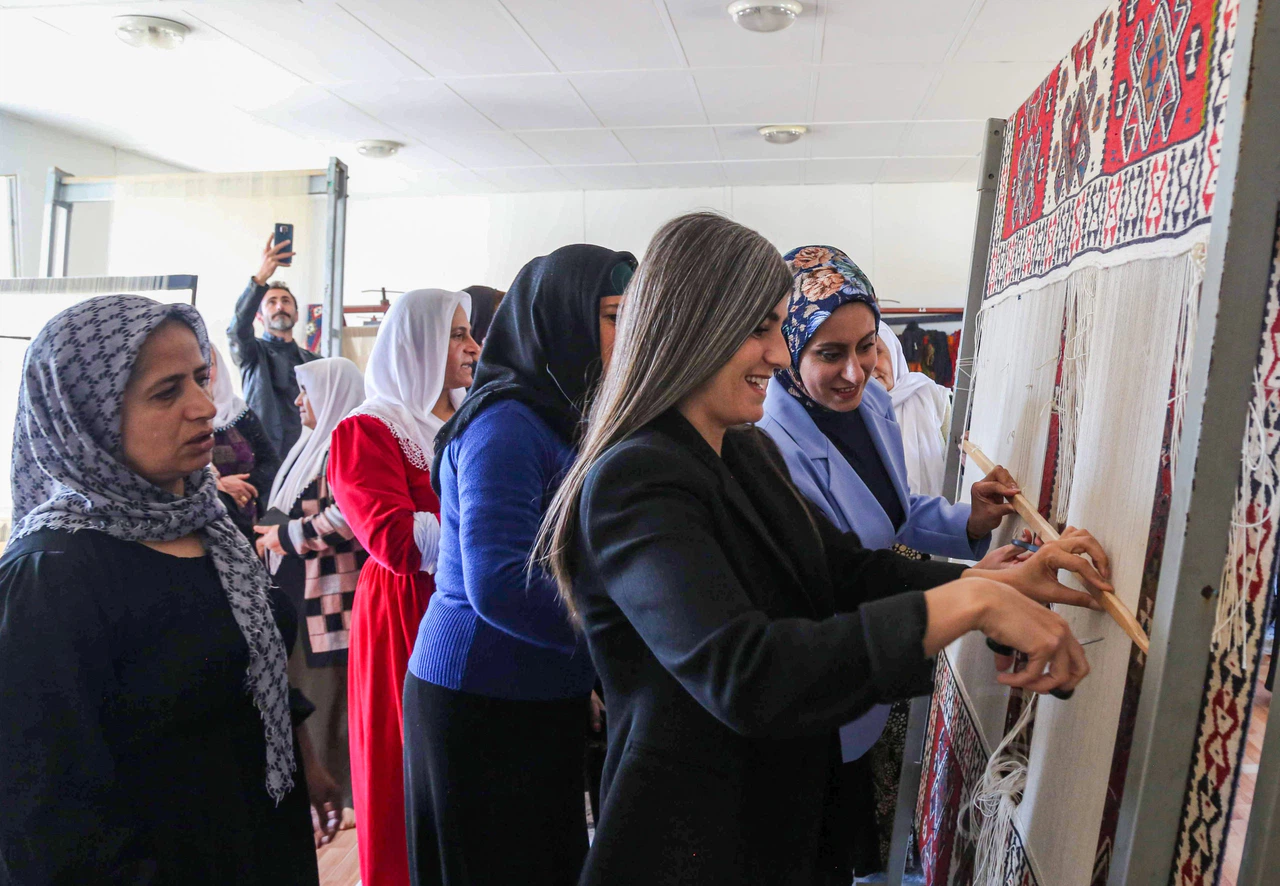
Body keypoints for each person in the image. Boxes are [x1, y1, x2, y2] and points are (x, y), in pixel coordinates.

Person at [534, 212, 1112, 885]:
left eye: (779, 329)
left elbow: (840, 570)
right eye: (759, 330)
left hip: (778, 816)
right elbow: (746, 674)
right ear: (694, 327)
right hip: (696, 842)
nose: (779, 355)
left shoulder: (743, 449)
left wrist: (997, 584)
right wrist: (971, 604)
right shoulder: (636, 479)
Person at [0, 295, 320, 883]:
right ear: (88, 416)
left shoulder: (209, 521)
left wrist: (305, 762)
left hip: (259, 834)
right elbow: (46, 816)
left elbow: (253, 662)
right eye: (167, 392)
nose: (205, 408)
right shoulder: (52, 576)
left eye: (200, 378)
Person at [757, 245, 1022, 876]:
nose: (855, 372)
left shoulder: (872, 406)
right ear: (788, 349)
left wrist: (968, 521)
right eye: (830, 354)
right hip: (830, 659)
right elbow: (844, 567)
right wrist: (974, 587)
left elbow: (893, 510)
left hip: (875, 645)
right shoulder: (768, 447)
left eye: (867, 346)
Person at [403, 245, 636, 886]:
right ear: (559, 320)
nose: (629, 334)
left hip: (534, 687)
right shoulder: (507, 424)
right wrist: (620, 633)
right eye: (613, 317)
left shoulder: (563, 413)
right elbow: (500, 583)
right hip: (480, 694)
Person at [328, 289, 480, 886]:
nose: (473, 347)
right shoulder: (367, 429)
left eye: (469, 333)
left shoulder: (471, 415)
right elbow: (393, 540)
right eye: (457, 334)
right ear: (419, 343)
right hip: (406, 609)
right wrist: (490, 521)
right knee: (408, 756)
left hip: (473, 599)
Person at [255, 356, 369, 816]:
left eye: (308, 392)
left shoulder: (345, 445)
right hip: (296, 595)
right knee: (308, 692)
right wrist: (270, 534)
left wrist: (283, 536)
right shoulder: (309, 446)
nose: (299, 401)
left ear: (332, 394)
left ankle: (342, 800)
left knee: (331, 700)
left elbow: (348, 516)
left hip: (329, 598)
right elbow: (285, 506)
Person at [228, 234, 319, 459]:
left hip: (307, 457)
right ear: (259, 317)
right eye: (271, 302)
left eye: (286, 301)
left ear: (296, 315)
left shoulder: (316, 363)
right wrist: (260, 278)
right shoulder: (251, 355)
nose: (280, 306)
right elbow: (237, 330)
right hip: (264, 457)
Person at [872, 320, 953, 496]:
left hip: (939, 508)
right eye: (860, 353)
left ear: (893, 351)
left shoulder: (930, 395)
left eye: (876, 351)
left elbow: (954, 456)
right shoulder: (847, 413)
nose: (869, 364)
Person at [209, 345, 280, 541]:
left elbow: (271, 463)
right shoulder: (177, 418)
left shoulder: (239, 413)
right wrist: (219, 487)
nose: (204, 373)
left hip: (247, 518)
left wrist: (242, 487)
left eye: (210, 364)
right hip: (206, 522)